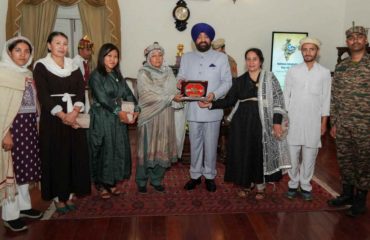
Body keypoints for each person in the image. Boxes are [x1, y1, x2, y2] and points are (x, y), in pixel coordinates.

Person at [199, 48, 291, 199]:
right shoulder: (240, 80)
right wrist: (210, 104)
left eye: (254, 59)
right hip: (242, 124)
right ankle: (246, 184)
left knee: (259, 152)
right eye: (248, 59)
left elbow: (278, 102)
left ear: (260, 61)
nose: (251, 62)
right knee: (244, 152)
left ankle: (260, 186)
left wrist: (276, 123)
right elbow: (229, 100)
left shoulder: (270, 78)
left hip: (263, 123)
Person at [33, 31, 91, 213]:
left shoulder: (73, 65)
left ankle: (71, 194)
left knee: (74, 155)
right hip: (53, 119)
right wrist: (62, 115)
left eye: (65, 43)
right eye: (57, 43)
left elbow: (81, 90)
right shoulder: (41, 66)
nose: (62, 47)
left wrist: (74, 112)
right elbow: (43, 94)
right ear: (49, 45)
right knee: (57, 157)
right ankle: (59, 197)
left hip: (73, 115)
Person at [178, 22, 232, 192]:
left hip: (212, 109)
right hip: (193, 109)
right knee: (195, 143)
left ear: (210, 39)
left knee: (210, 144)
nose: (202, 39)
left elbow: (227, 82)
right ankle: (194, 175)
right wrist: (180, 82)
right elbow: (181, 76)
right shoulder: (186, 57)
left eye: (206, 36)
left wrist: (214, 96)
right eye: (199, 36)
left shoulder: (221, 58)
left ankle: (209, 176)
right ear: (195, 40)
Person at [0, 36, 42, 231]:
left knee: (24, 169)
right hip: (11, 128)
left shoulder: (28, 73)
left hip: (28, 126)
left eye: (26, 51)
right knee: (12, 172)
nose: (23, 54)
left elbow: (32, 101)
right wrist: (5, 133)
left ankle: (24, 206)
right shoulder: (3, 73)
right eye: (18, 50)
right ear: (9, 52)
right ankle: (10, 215)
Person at [327, 26, 370, 217]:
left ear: (365, 40)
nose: (355, 40)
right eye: (351, 38)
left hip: (365, 126)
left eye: (359, 37)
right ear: (347, 42)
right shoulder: (341, 67)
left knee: (363, 163)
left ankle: (360, 200)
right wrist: (334, 122)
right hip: (343, 124)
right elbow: (334, 97)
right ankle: (347, 195)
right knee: (345, 161)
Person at [88, 43, 139, 199]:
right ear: (102, 57)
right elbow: (103, 99)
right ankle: (100, 184)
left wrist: (136, 108)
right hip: (102, 117)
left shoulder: (117, 76)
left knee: (116, 149)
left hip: (117, 119)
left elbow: (128, 94)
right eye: (109, 56)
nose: (112, 59)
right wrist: (119, 112)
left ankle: (111, 182)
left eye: (115, 56)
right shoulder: (96, 75)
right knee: (103, 149)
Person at [284, 37, 332, 201]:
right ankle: (292, 183)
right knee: (292, 155)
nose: (308, 52)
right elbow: (286, 97)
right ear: (301, 51)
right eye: (305, 49)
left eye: (312, 49)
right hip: (293, 120)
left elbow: (326, 99)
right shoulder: (293, 71)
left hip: (313, 121)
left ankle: (305, 185)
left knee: (310, 156)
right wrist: (284, 119)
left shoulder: (324, 73)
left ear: (317, 52)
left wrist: (324, 122)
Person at [136, 42, 182, 193]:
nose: (157, 59)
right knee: (147, 148)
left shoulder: (168, 71)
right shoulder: (144, 73)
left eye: (160, 55)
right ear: (148, 58)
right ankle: (142, 181)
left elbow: (174, 90)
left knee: (163, 147)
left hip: (165, 115)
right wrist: (170, 97)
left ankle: (156, 179)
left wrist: (180, 89)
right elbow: (146, 94)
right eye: (153, 56)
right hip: (150, 116)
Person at [72, 36, 94, 113]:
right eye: (88, 50)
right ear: (80, 50)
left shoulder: (84, 61)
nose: (90, 53)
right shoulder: (76, 62)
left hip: (85, 92)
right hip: (79, 94)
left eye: (90, 50)